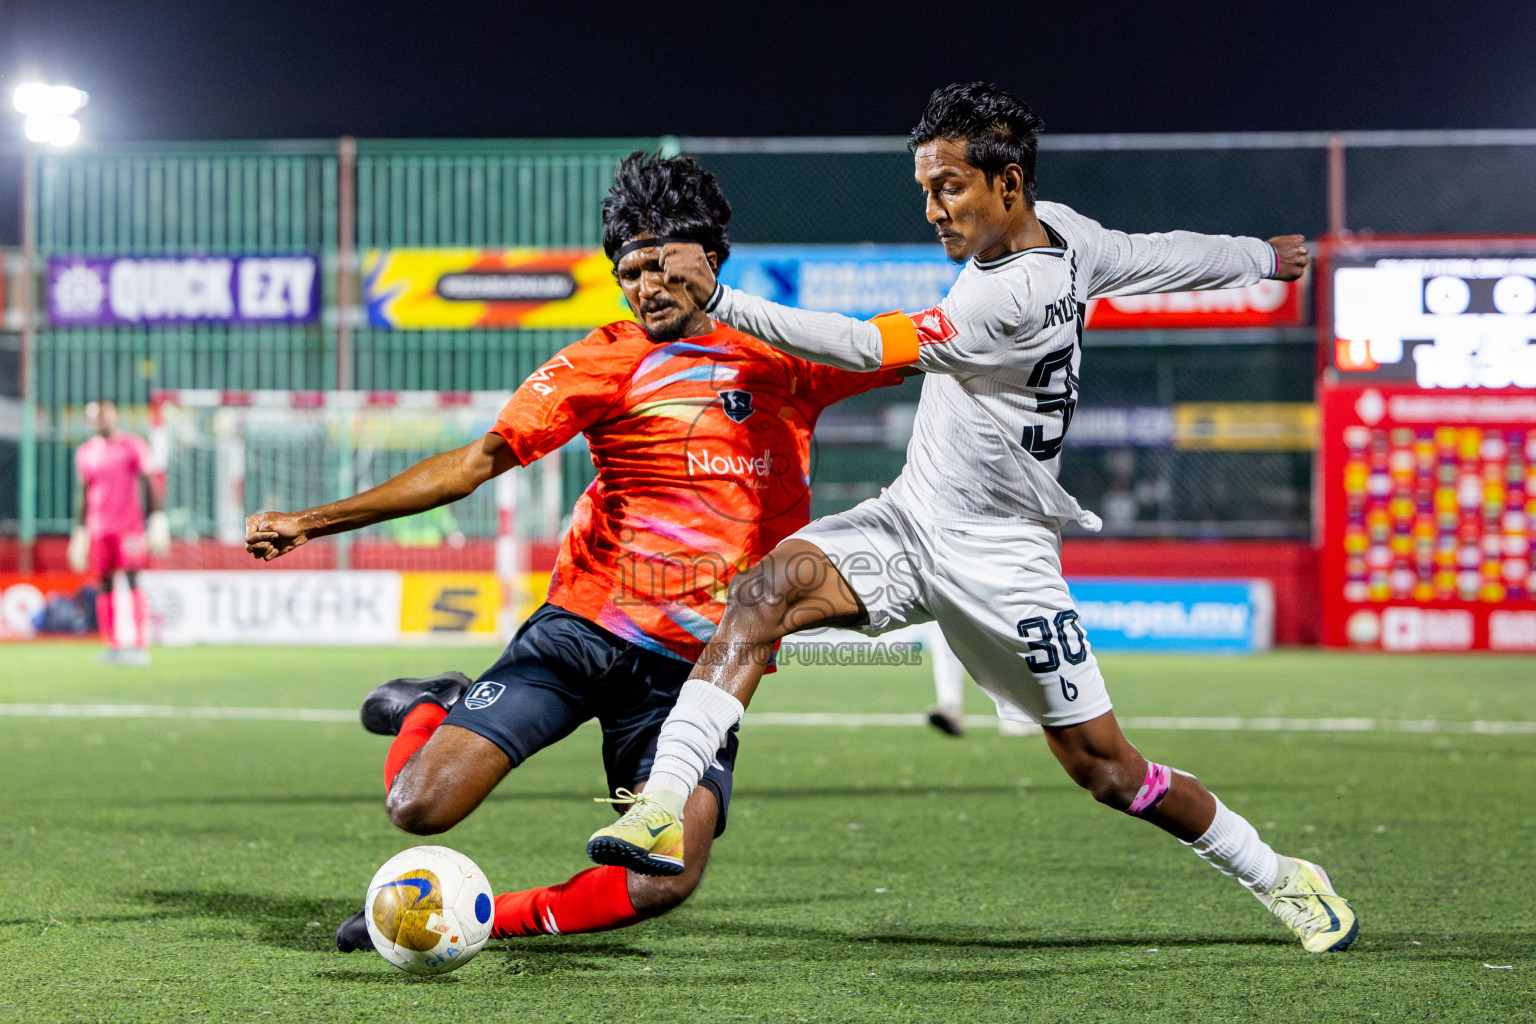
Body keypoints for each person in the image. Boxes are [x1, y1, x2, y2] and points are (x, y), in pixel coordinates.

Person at [586, 84, 1358, 954]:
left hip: (1005, 561)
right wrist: (1258, 255)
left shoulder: (1008, 300)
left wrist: (721, 301)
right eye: (925, 188)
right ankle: (661, 803)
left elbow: (867, 347)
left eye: (949, 187)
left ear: (1008, 183)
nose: (932, 210)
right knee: (765, 592)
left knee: (1108, 771)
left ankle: (1282, 875)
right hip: (911, 523)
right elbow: (1157, 254)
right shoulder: (1067, 235)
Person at [243, 153, 904, 948]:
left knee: (665, 877)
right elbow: (473, 464)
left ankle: (481, 922)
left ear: (710, 262)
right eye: (629, 272)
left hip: (697, 675)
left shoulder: (793, 358)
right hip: (581, 633)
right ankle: (430, 704)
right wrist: (312, 522)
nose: (645, 287)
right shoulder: (605, 358)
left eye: (661, 266)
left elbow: (929, 349)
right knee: (417, 808)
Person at [69, 399, 169, 665]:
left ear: (114, 416)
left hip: (128, 528)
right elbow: (83, 495)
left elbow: (150, 483)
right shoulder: (86, 452)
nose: (103, 421)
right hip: (99, 529)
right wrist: (79, 532)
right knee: (104, 583)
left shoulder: (133, 445)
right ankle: (113, 645)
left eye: (106, 415)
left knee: (133, 579)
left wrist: (157, 517)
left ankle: (138, 645)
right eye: (96, 418)